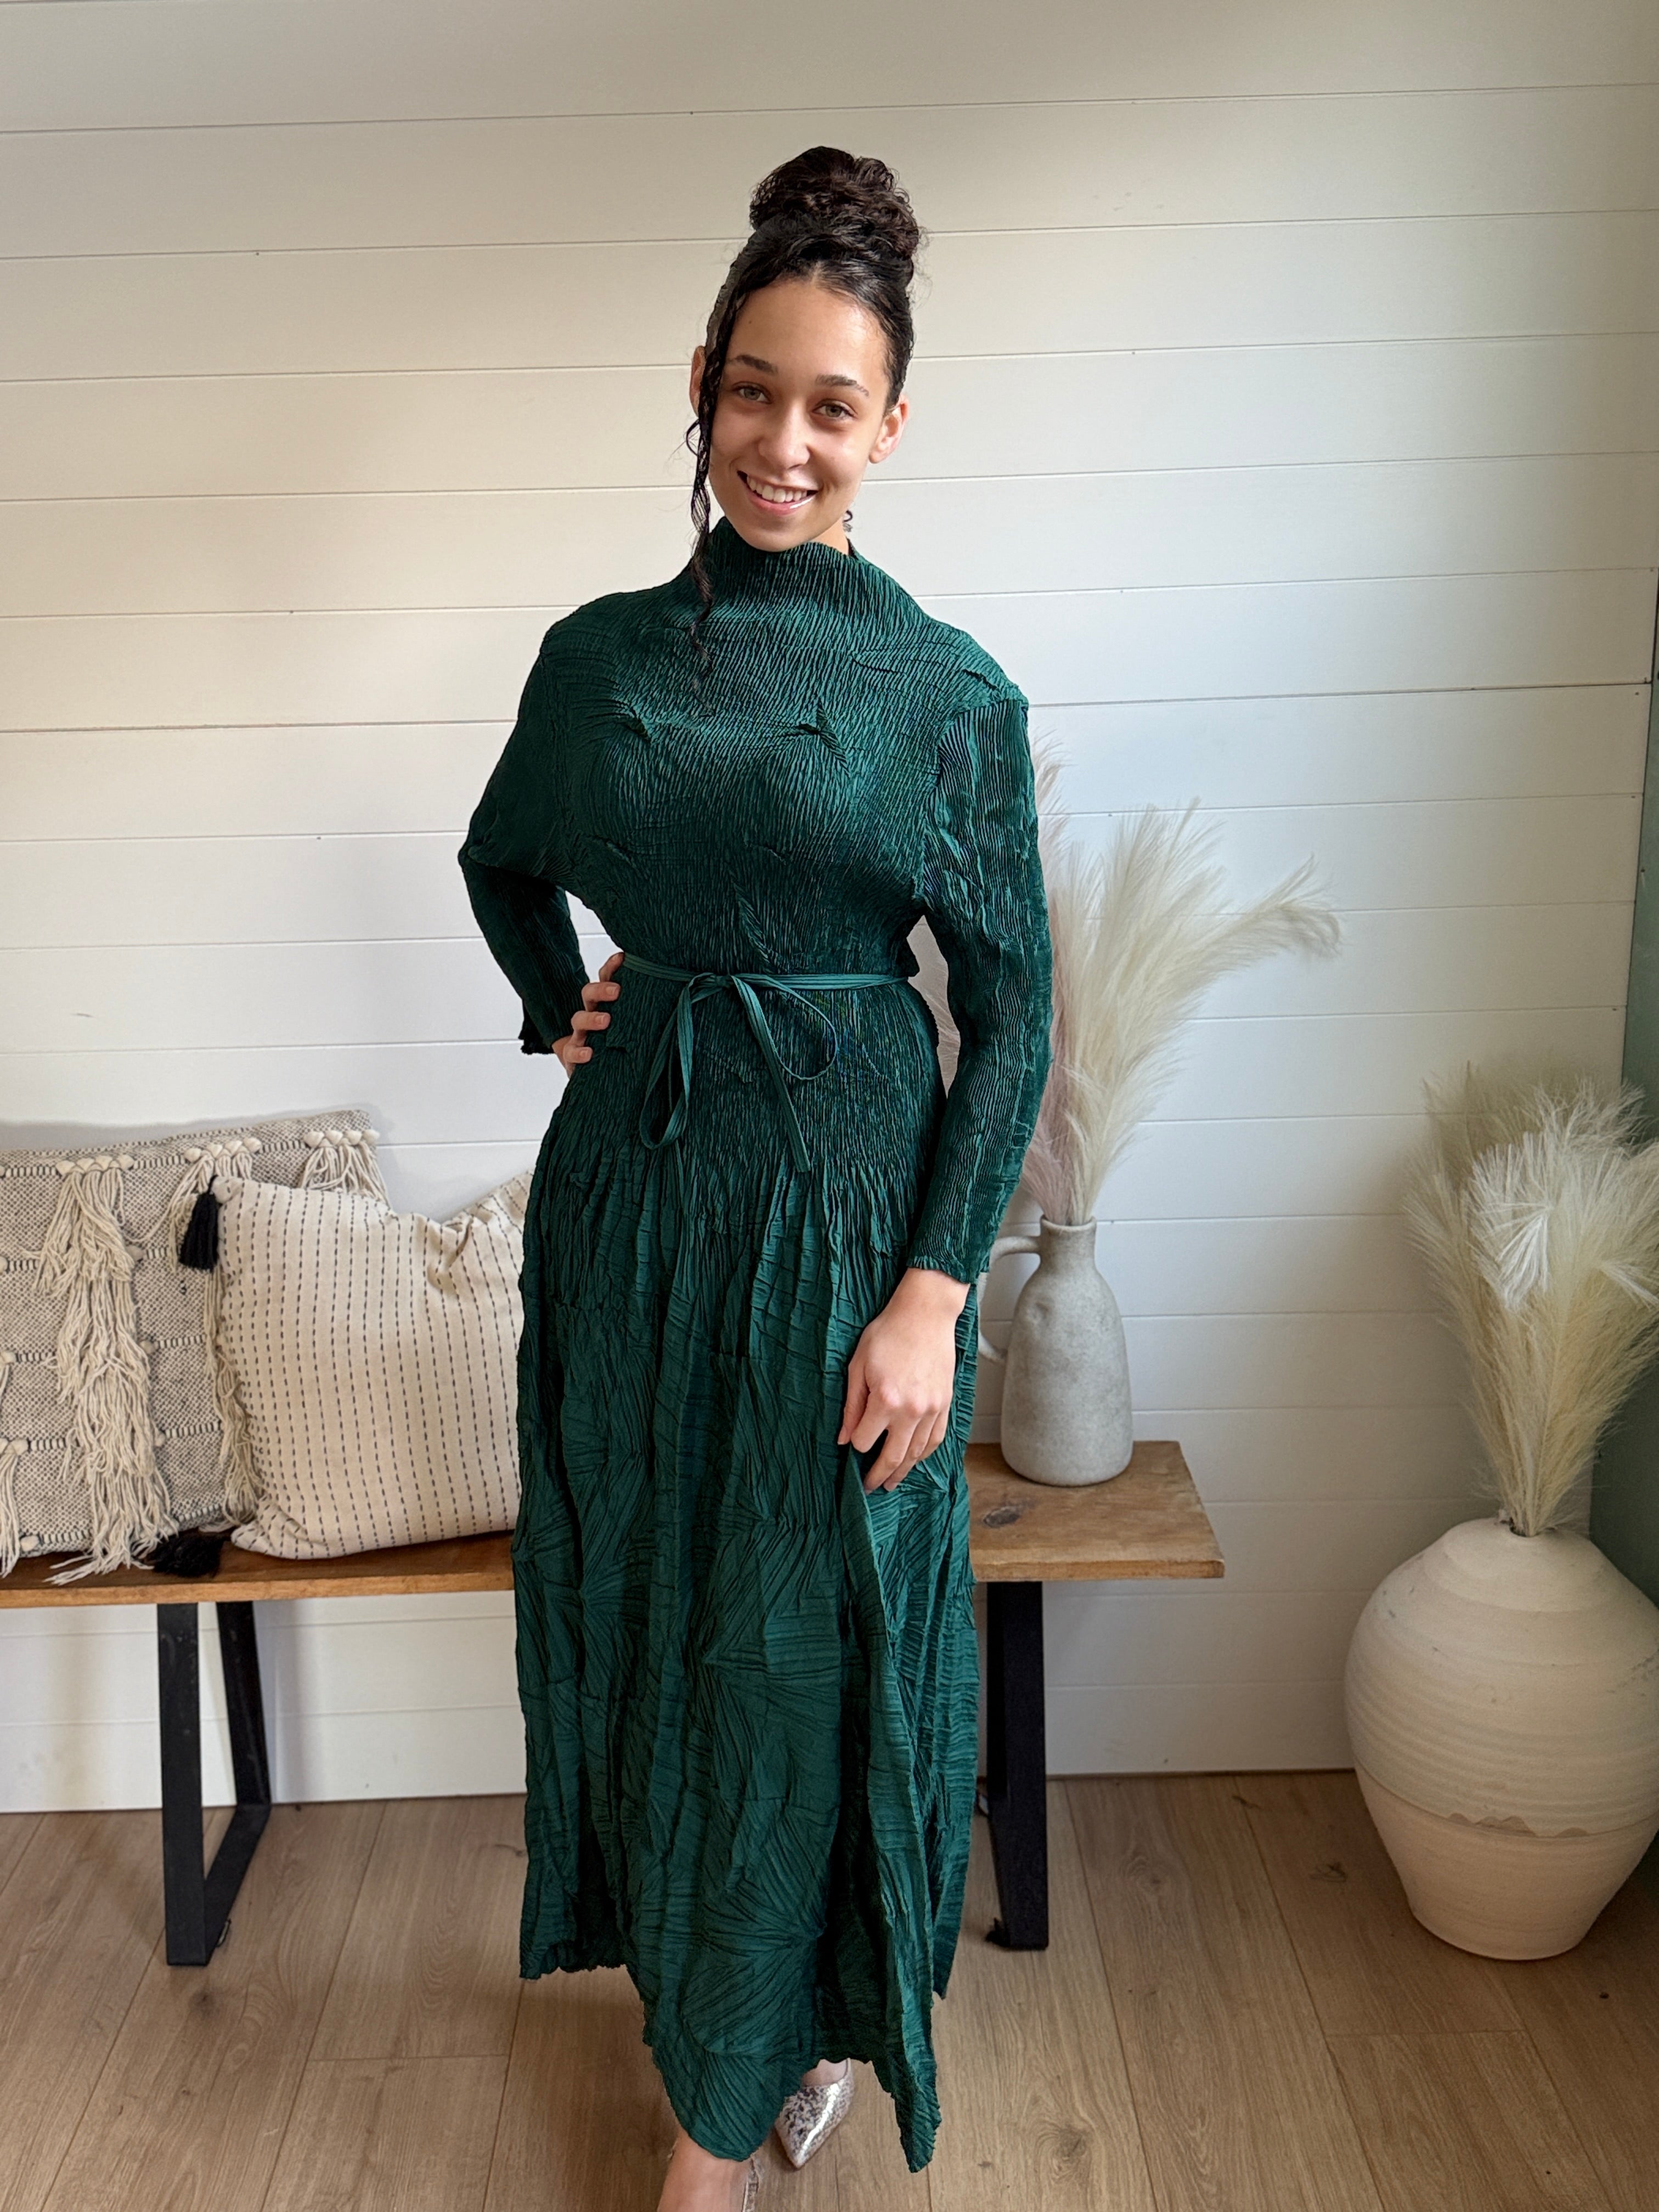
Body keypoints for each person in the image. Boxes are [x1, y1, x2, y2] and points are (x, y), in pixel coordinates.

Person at [459, 145, 1052, 2212]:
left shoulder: (949, 695)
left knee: (796, 1656)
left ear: (891, 428)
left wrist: (934, 1294)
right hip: (631, 1217)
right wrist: (555, 1004)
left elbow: (1015, 1016)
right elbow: (502, 858)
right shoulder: (597, 658)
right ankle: (724, 2033)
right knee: (656, 1628)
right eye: (752, 391)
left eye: (831, 406)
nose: (782, 442)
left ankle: (714, 2132)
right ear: (703, 386)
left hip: (842, 1239)